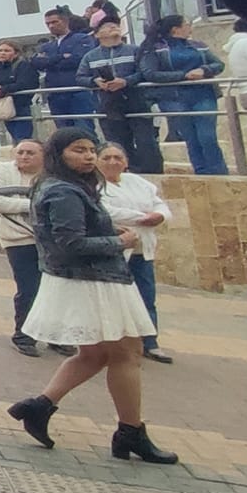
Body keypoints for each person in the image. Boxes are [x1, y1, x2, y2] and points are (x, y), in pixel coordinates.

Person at [6, 128, 176, 465]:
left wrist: (110, 231)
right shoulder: (63, 190)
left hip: (94, 280)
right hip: (92, 281)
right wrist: (120, 242)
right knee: (127, 352)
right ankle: (130, 431)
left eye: (90, 150)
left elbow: (78, 230)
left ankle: (39, 407)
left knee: (95, 355)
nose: (88, 156)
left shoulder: (69, 186)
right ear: (60, 154)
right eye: (78, 150)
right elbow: (70, 244)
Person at [0, 140, 75, 358]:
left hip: (53, 242)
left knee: (57, 289)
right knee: (29, 289)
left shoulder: (54, 176)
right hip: (19, 240)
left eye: (31, 153)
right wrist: (37, 205)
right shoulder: (3, 171)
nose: (24, 157)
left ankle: (56, 337)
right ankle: (24, 336)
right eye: (21, 152)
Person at [97, 143, 175, 365]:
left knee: (146, 296)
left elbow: (160, 206)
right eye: (107, 158)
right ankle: (112, 344)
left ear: (126, 161)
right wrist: (142, 218)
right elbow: (106, 212)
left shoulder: (138, 183)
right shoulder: (92, 186)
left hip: (142, 250)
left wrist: (159, 216)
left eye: (117, 157)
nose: (113, 162)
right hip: (115, 250)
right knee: (114, 299)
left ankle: (150, 342)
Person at [140, 15, 226, 175]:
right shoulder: (155, 48)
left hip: (203, 94)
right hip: (174, 98)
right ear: (176, 29)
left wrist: (205, 70)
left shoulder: (198, 45)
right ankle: (201, 172)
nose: (190, 27)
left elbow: (218, 64)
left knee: (207, 137)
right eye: (187, 24)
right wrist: (183, 75)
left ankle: (219, 172)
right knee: (191, 138)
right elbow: (150, 73)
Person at [77, 19, 164, 175]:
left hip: (137, 102)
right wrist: (95, 81)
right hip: (108, 104)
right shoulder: (90, 56)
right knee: (117, 142)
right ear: (97, 34)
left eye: (115, 26)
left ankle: (153, 174)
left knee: (146, 141)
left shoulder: (134, 50)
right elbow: (80, 77)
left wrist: (126, 81)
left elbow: (144, 72)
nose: (113, 27)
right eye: (108, 26)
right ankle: (125, 173)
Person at [29, 9, 98, 131]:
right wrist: (61, 57)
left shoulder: (82, 39)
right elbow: (36, 63)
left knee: (85, 129)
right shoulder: (47, 46)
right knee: (63, 132)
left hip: (78, 91)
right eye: (48, 23)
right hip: (55, 94)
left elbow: (80, 59)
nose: (51, 26)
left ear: (65, 21)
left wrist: (49, 61)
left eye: (55, 22)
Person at [0, 40, 38, 144]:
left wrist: (2, 90)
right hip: (5, 108)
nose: (2, 53)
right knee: (14, 137)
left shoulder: (23, 65)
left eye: (7, 50)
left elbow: (25, 84)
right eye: (0, 50)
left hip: (20, 107)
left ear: (16, 53)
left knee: (23, 138)